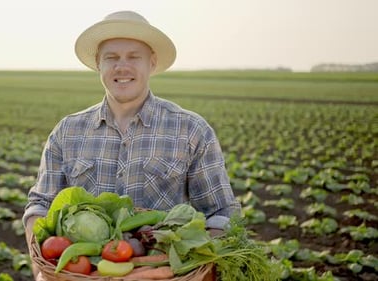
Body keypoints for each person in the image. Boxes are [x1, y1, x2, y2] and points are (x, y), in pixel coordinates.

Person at [23, 10, 241, 280]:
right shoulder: (67, 131)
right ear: (98, 64)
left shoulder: (191, 130)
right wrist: (42, 266)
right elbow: (40, 205)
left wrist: (194, 260)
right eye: (111, 58)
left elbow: (221, 213)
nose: (121, 67)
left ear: (152, 62)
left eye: (133, 57)